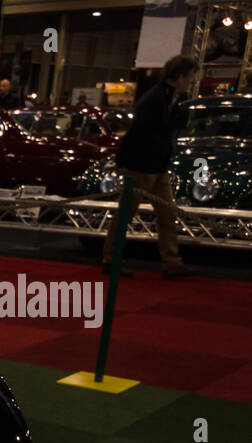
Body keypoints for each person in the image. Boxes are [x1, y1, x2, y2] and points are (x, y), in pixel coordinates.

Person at [99, 54, 197, 279]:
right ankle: (111, 259)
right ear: (180, 76)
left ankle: (172, 262)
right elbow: (136, 134)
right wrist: (124, 163)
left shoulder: (168, 97)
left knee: (167, 214)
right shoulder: (154, 99)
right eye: (190, 76)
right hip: (141, 166)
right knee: (126, 215)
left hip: (157, 165)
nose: (192, 80)